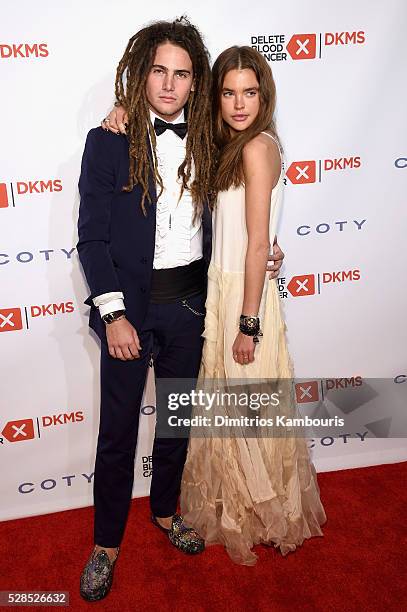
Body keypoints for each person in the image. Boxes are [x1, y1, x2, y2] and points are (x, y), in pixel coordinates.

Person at [77, 19, 285, 601]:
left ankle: (166, 512)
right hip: (128, 312)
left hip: (192, 310)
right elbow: (92, 239)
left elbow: (247, 200)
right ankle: (106, 544)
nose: (169, 85)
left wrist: (269, 246)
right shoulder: (108, 141)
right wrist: (114, 315)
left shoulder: (209, 139)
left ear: (197, 83)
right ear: (143, 74)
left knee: (175, 424)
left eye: (183, 74)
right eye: (159, 72)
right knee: (117, 434)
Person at [178, 46, 327, 565]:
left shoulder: (256, 148)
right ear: (216, 96)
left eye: (249, 91)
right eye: (228, 92)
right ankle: (245, 507)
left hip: (245, 298)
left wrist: (249, 324)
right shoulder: (239, 145)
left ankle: (263, 511)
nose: (239, 103)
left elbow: (258, 243)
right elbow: (251, 234)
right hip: (229, 287)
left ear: (263, 95)